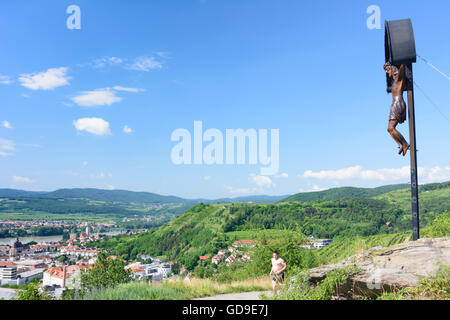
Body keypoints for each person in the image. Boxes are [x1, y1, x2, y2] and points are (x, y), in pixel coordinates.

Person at [384, 62, 410, 156]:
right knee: (389, 129)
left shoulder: (399, 79)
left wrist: (400, 61)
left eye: (387, 70)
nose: (387, 73)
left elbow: (403, 65)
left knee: (391, 127)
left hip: (398, 103)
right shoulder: (395, 81)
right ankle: (401, 144)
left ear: (393, 68)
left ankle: (405, 144)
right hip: (394, 104)